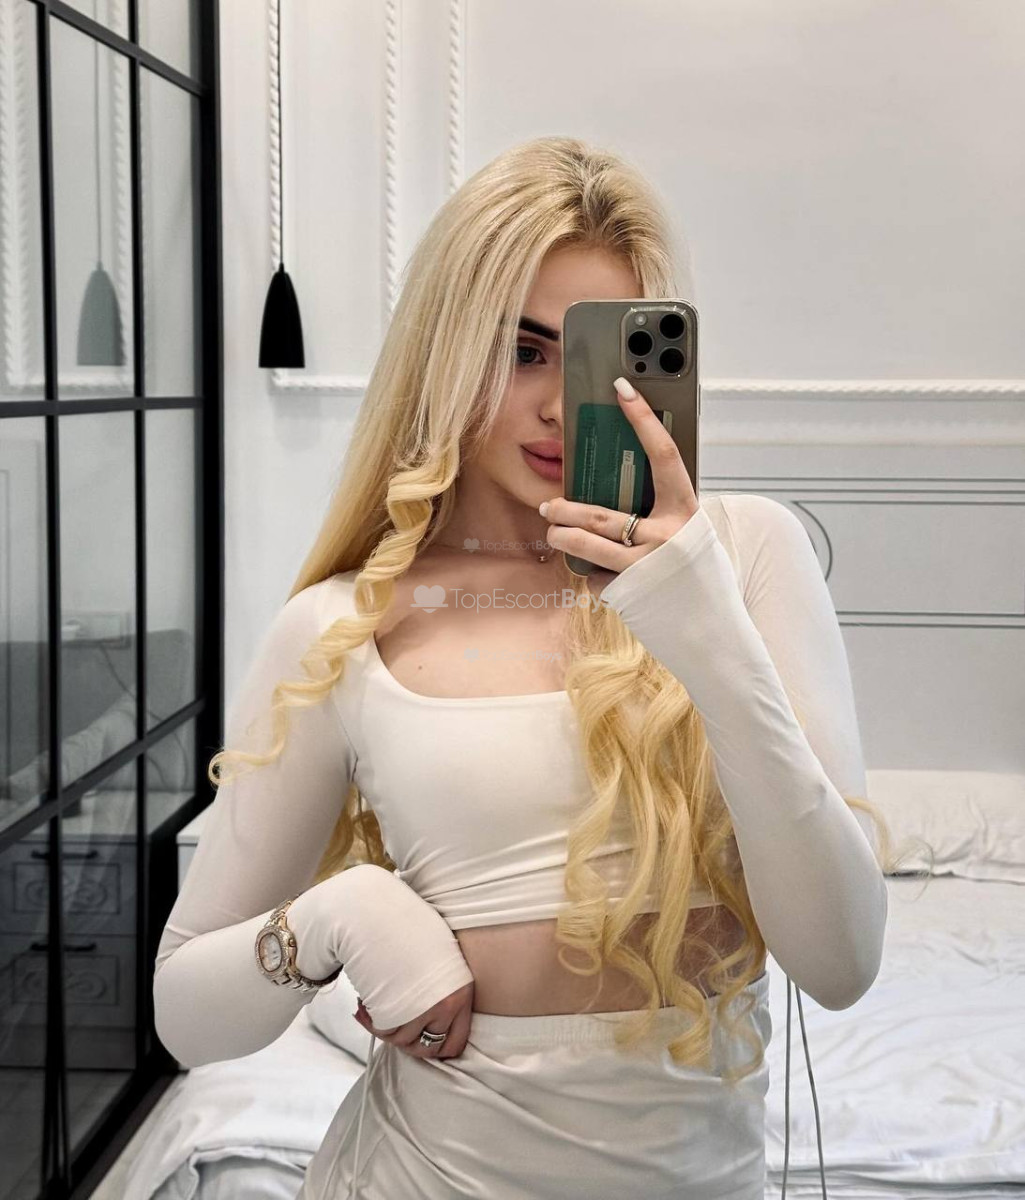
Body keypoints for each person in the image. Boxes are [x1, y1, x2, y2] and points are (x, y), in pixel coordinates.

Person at [152, 135, 891, 1199]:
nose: (557, 405)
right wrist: (334, 918)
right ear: (445, 353)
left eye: (595, 356)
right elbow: (186, 1014)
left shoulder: (746, 556)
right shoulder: (342, 626)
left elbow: (841, 962)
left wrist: (704, 630)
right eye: (521, 351)